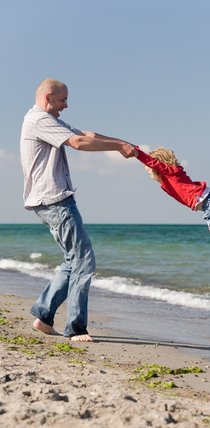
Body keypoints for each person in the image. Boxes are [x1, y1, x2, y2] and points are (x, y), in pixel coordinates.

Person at [20, 78, 136, 342]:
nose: (67, 105)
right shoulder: (39, 120)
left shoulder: (47, 119)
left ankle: (44, 315)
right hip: (55, 199)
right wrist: (118, 147)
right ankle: (76, 328)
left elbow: (87, 135)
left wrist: (124, 143)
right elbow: (79, 144)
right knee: (84, 260)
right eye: (63, 100)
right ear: (48, 98)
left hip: (51, 200)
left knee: (74, 260)